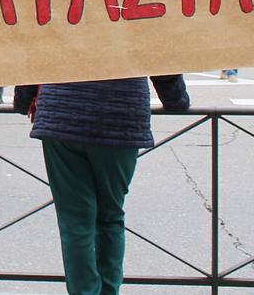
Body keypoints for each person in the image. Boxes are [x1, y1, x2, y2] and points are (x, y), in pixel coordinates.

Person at [15, 74, 190, 295]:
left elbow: (36, 54)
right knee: (111, 216)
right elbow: (158, 55)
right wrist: (176, 101)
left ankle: (84, 292)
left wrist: (22, 100)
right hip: (120, 113)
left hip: (62, 112)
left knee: (75, 221)